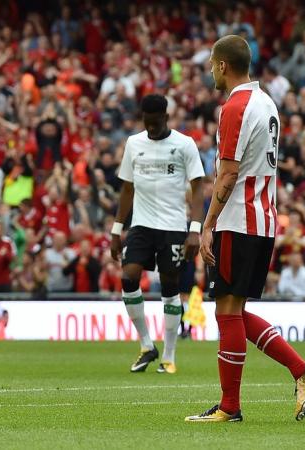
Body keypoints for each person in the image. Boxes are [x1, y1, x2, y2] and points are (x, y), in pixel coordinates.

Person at [187, 35, 305, 423]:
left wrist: (207, 225)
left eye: (212, 65)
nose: (211, 72)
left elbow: (228, 172)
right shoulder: (267, 103)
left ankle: (230, 406)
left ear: (222, 65)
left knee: (227, 312)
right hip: (263, 220)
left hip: (237, 220)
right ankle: (301, 370)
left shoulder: (235, 106)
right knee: (234, 311)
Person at [110, 94, 205, 374]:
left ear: (166, 117)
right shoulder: (134, 143)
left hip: (173, 226)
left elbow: (198, 187)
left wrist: (195, 230)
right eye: (146, 122)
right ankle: (146, 345)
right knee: (128, 277)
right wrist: (116, 229)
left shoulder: (184, 144)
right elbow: (127, 188)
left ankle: (169, 355)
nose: (150, 127)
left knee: (170, 286)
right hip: (141, 225)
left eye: (155, 122)